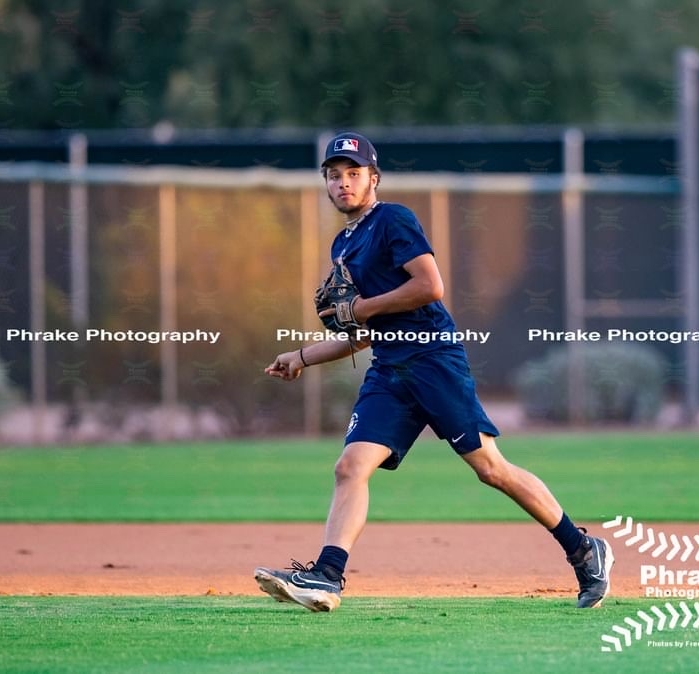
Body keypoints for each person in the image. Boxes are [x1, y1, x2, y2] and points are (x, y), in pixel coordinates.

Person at [254, 131, 613, 612]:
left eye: (354, 173)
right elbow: (365, 331)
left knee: (490, 469)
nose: (343, 183)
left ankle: (583, 549)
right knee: (350, 467)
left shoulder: (393, 220)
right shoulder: (343, 243)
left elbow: (430, 286)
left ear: (374, 178)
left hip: (432, 360)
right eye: (334, 175)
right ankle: (327, 576)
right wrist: (302, 356)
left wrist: (361, 307)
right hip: (388, 369)